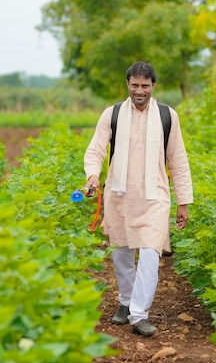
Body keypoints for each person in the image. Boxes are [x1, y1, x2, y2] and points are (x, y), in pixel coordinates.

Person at [83, 61, 193, 337]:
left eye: (145, 86)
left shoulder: (168, 116)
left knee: (149, 254)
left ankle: (139, 314)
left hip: (154, 196)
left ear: (153, 86)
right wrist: (92, 175)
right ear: (128, 86)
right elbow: (95, 150)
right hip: (119, 195)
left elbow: (178, 160)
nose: (140, 91)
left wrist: (183, 201)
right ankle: (125, 301)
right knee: (121, 252)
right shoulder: (113, 114)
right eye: (135, 85)